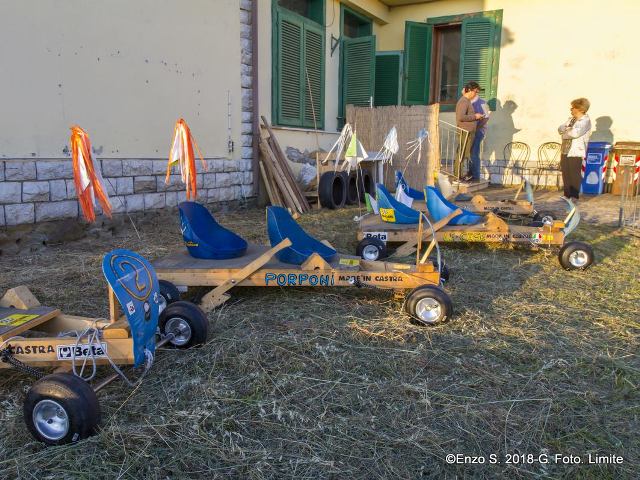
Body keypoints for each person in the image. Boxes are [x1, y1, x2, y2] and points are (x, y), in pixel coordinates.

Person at [558, 98, 592, 201]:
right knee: (566, 172)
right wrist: (567, 130)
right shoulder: (571, 119)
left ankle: (574, 196)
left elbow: (575, 133)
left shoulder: (585, 121)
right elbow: (560, 129)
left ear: (580, 109)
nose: (571, 109)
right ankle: (567, 194)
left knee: (574, 174)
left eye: (573, 107)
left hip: (575, 151)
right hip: (565, 149)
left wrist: (566, 131)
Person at [455, 82, 484, 181]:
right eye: (475, 92)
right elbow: (461, 117)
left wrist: (476, 117)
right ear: (470, 90)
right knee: (461, 154)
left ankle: (459, 175)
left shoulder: (466, 101)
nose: (476, 94)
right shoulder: (464, 101)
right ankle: (457, 176)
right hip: (465, 131)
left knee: (464, 154)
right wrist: (475, 116)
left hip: (468, 131)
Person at [470, 95, 490, 180]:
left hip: (479, 131)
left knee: (474, 153)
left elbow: (486, 118)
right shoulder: (468, 101)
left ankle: (476, 176)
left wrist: (477, 128)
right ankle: (471, 174)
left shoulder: (483, 102)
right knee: (470, 153)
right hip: (471, 131)